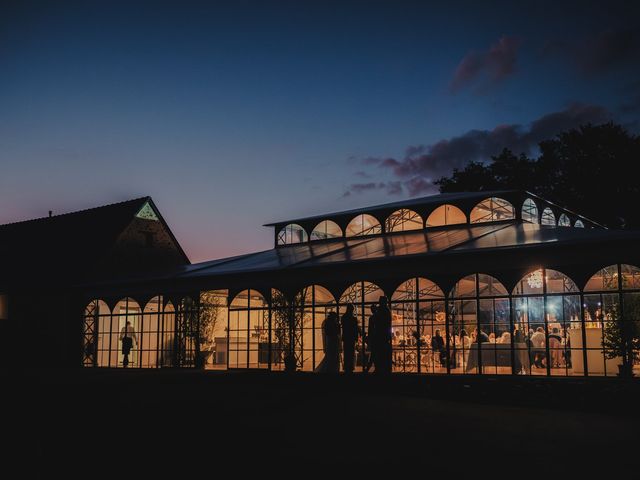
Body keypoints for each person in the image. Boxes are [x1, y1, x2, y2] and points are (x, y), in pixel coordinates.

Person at [375, 296, 392, 374]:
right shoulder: (387, 311)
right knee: (383, 353)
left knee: (380, 352)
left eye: (380, 301)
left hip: (380, 334)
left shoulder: (381, 310)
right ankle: (384, 368)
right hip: (384, 335)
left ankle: (380, 368)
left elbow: (378, 322)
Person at [341, 304, 359, 373]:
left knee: (346, 352)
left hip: (346, 337)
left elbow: (343, 327)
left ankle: (346, 366)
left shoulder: (343, 317)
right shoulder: (353, 318)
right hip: (351, 338)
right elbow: (355, 329)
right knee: (351, 352)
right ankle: (350, 366)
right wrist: (356, 337)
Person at [364, 304, 378, 372]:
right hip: (377, 338)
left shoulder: (372, 318)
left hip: (373, 338)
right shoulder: (379, 317)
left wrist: (369, 338)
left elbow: (370, 329)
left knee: (373, 354)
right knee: (374, 354)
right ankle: (374, 368)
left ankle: (368, 368)